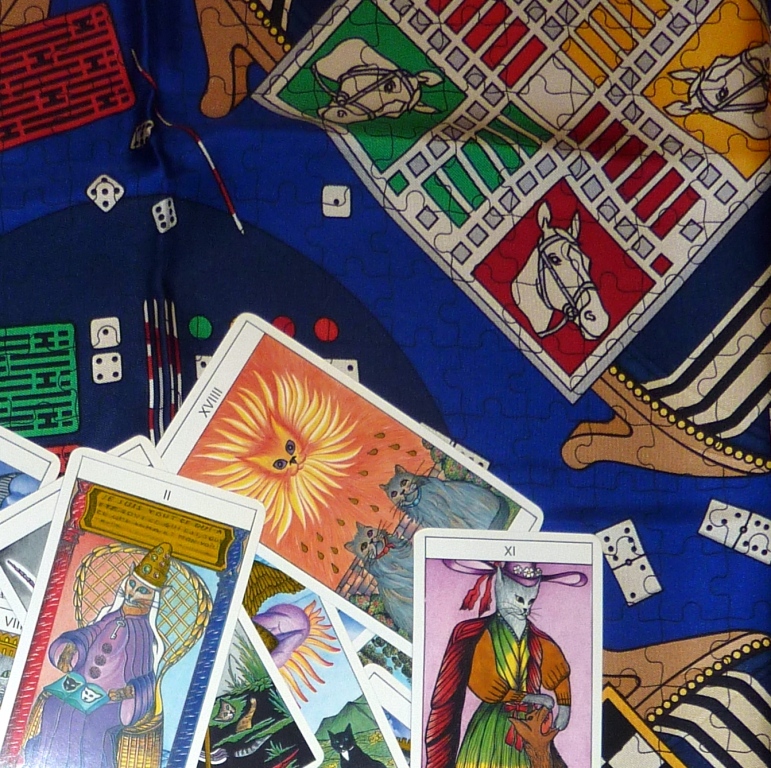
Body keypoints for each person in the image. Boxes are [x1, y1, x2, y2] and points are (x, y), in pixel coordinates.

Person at [24, 543, 172, 768]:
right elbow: (87, 634)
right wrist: (70, 649)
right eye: (132, 584)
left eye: (143, 590)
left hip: (112, 701)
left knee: (91, 723)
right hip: (79, 688)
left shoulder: (144, 634)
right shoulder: (109, 617)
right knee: (54, 706)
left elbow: (147, 679)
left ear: (154, 597)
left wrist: (129, 692)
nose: (133, 593)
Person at [425, 562, 586, 768]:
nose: (525, 608)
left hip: (530, 725)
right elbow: (484, 684)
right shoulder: (481, 634)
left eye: (531, 601)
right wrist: (529, 698)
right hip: (492, 726)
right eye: (519, 599)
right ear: (500, 585)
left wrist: (564, 704)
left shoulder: (536, 638)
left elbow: (555, 668)